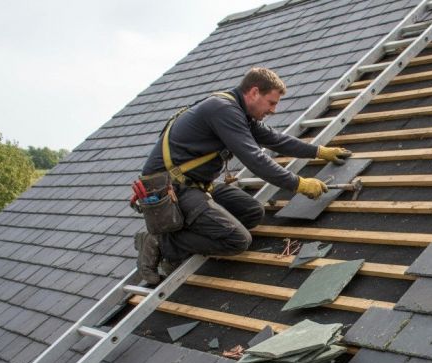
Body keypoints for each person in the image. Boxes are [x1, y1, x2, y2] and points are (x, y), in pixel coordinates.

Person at [134, 67, 351, 284]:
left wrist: (319, 152)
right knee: (237, 240)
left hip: (197, 185)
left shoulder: (239, 112)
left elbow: (275, 140)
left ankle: (183, 236)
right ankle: (161, 243)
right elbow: (254, 158)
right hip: (171, 190)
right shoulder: (223, 110)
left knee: (253, 212)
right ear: (254, 92)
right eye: (271, 102)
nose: (274, 110)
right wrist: (298, 184)